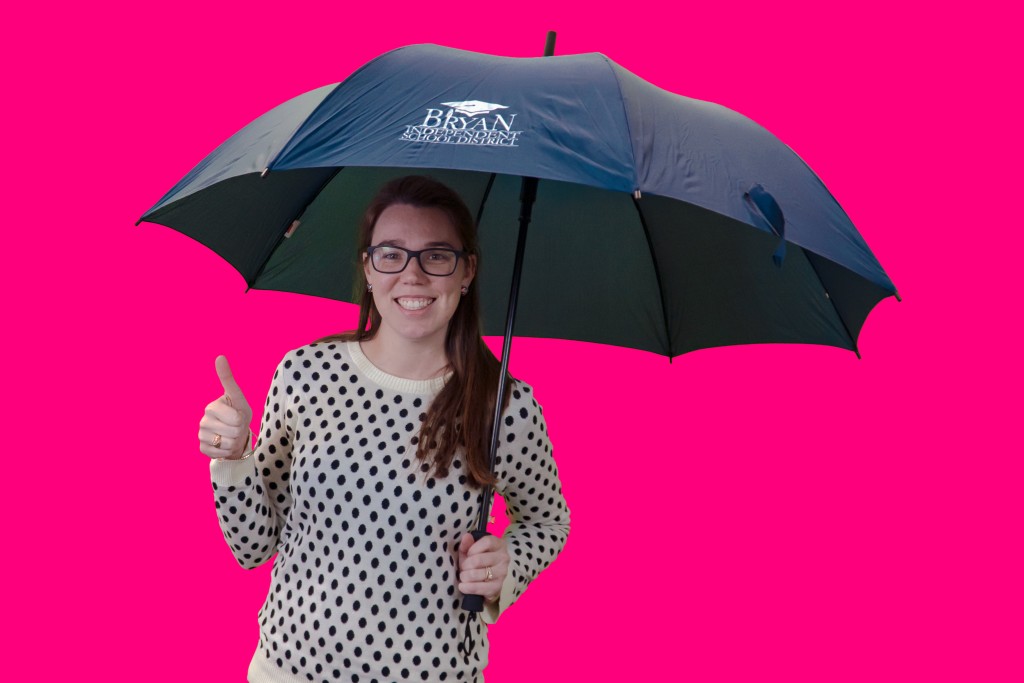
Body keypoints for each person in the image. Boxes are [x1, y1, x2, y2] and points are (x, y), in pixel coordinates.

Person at [197, 175, 570, 683]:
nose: (411, 275)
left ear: (467, 272)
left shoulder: (505, 406)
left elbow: (549, 523)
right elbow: (253, 548)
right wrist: (234, 459)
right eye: (390, 254)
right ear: (367, 268)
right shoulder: (306, 373)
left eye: (436, 255)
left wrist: (508, 562)